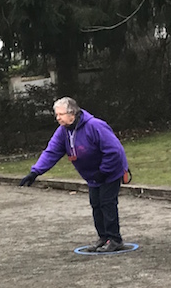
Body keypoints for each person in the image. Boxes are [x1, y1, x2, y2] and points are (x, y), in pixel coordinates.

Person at [19, 97, 128, 252]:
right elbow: (52, 151)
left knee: (107, 203)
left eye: (60, 114)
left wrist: (104, 171)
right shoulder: (62, 132)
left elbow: (114, 150)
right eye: (56, 115)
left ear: (72, 113)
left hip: (110, 171)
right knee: (96, 204)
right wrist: (35, 172)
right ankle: (104, 237)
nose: (58, 118)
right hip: (92, 175)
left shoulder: (95, 126)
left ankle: (115, 240)